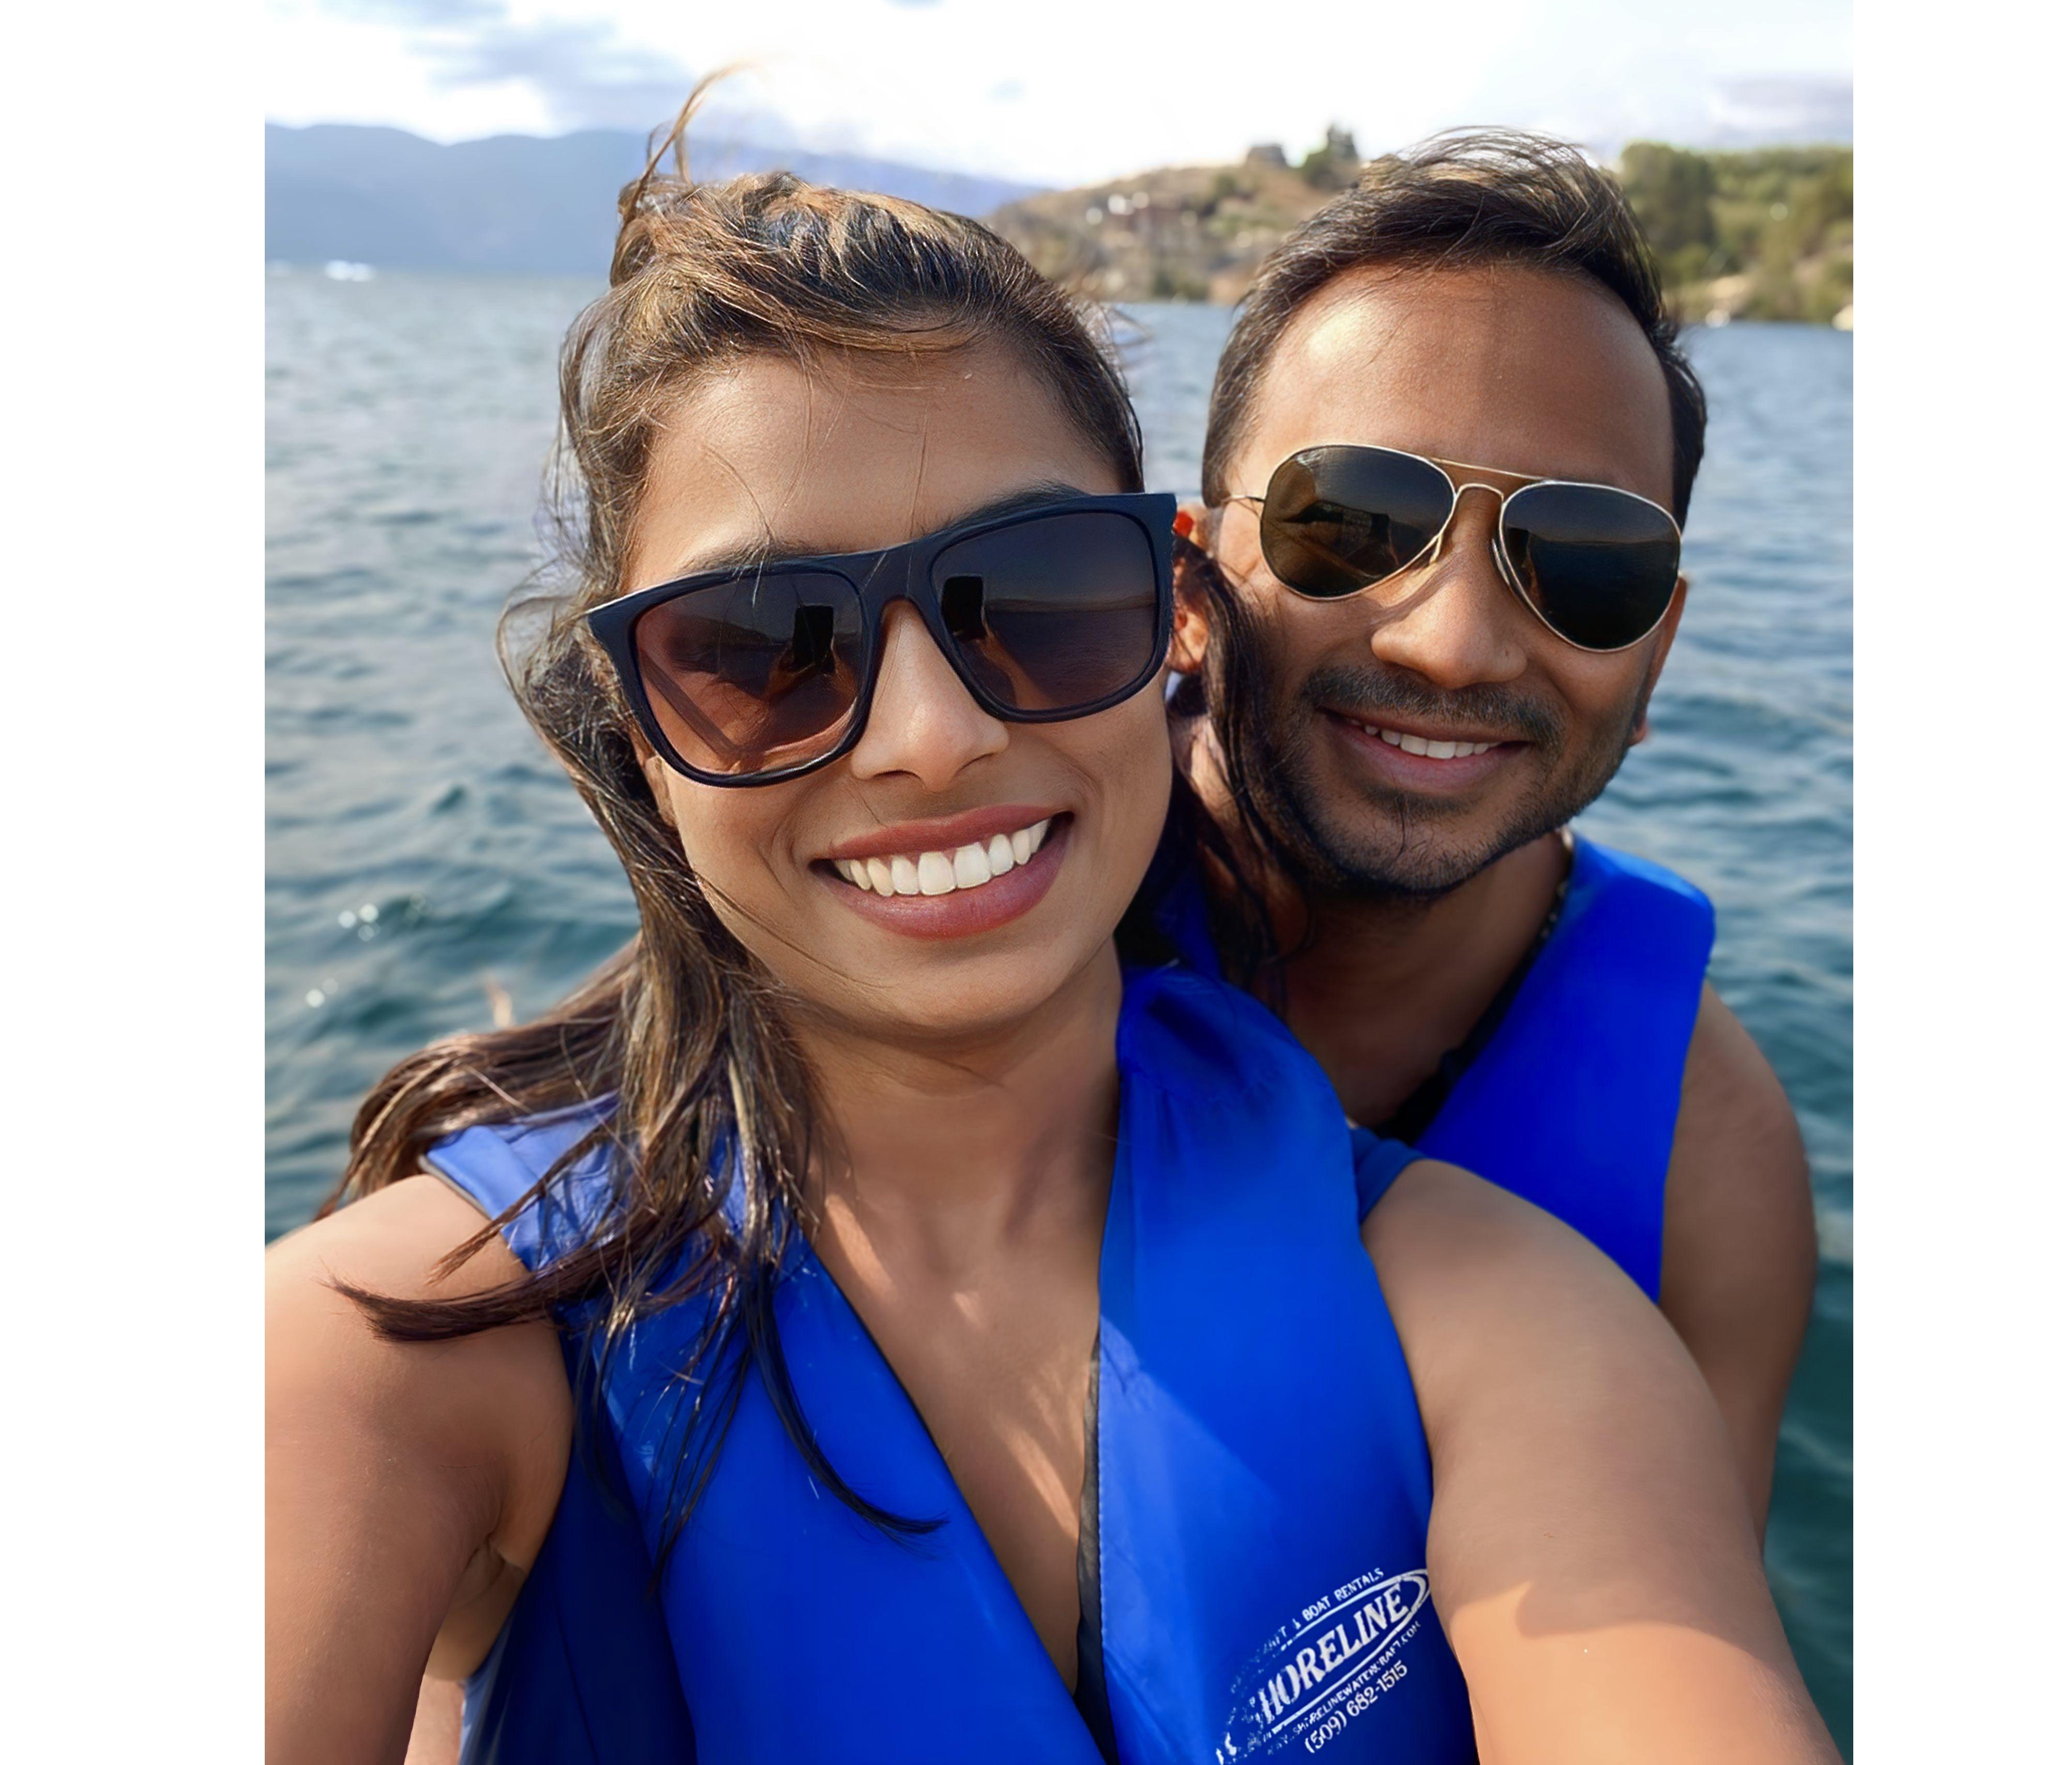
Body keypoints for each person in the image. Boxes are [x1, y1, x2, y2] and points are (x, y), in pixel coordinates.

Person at [265, 100, 1836, 1765]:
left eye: (1030, 600)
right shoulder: (429, 1333)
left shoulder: (1606, 1246)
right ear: (1203, 578)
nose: (933, 742)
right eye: (761, 650)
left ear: (1659, 649)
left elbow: (1654, 1623)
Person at [1168, 130, 1818, 1533]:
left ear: (1653, 657)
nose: (1457, 645)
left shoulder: (1706, 1160)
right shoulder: (982, 904)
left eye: (1586, 562)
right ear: (1188, 579)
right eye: (1348, 522)